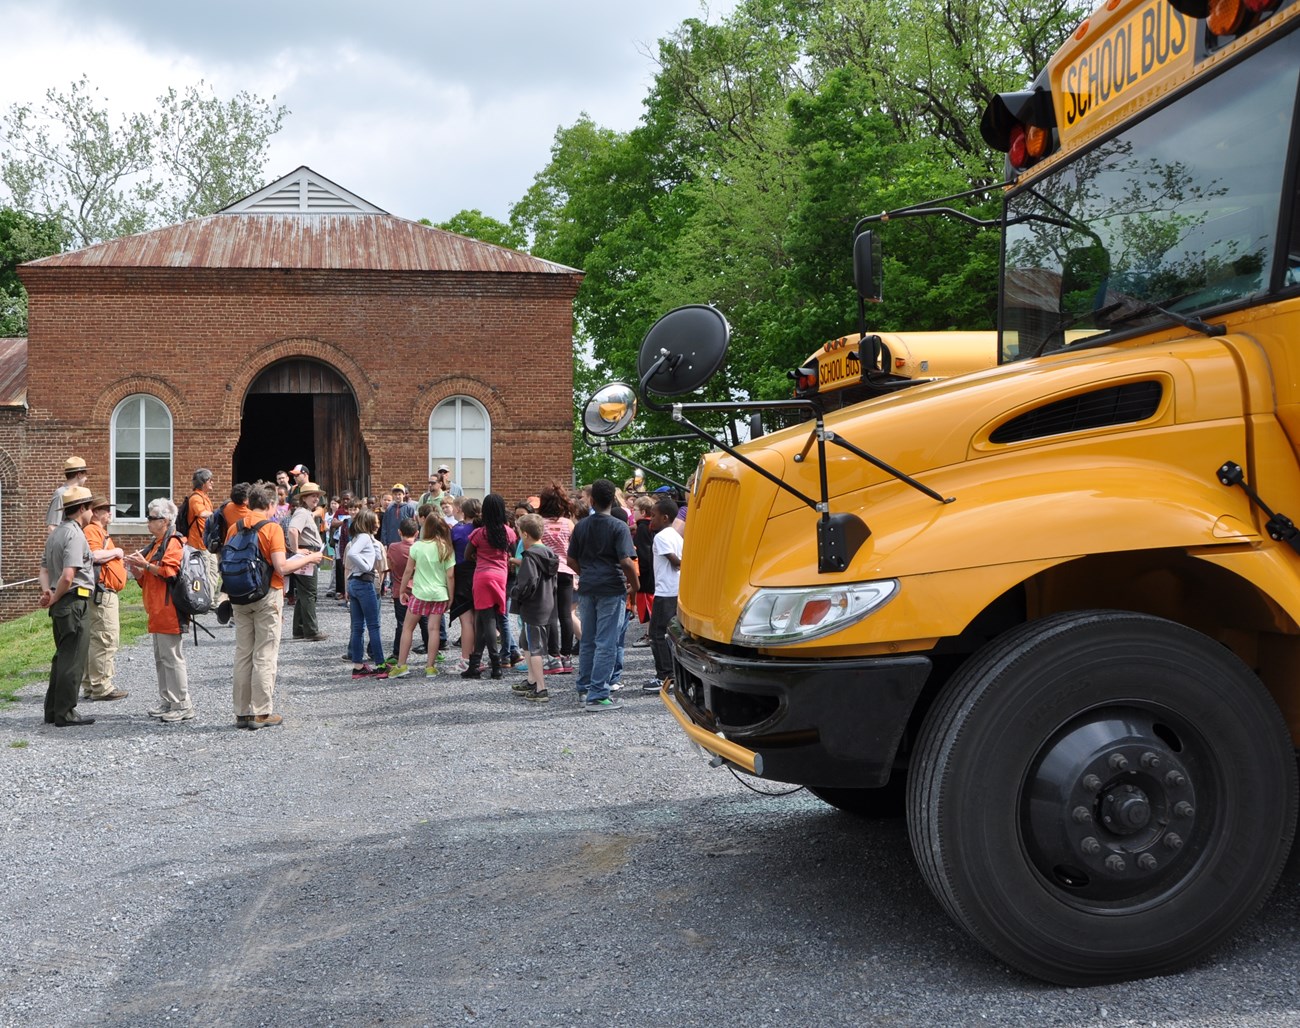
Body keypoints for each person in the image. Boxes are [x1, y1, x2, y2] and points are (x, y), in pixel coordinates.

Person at [227, 482, 325, 728]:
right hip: (267, 593)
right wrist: (309, 557)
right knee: (265, 653)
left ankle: (241, 712)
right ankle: (261, 712)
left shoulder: (233, 528)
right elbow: (281, 567)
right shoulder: (271, 529)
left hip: (239, 595)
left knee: (243, 653)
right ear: (271, 504)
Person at [567, 478, 638, 712]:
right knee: (606, 642)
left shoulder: (581, 526)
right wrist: (635, 585)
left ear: (593, 500)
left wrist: (585, 573)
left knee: (588, 639)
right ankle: (598, 694)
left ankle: (585, 688)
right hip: (611, 587)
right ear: (613, 500)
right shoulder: (619, 527)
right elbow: (626, 561)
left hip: (588, 586)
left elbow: (571, 560)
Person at [124, 498, 195, 723]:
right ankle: (168, 700)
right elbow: (150, 580)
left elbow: (169, 573)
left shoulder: (172, 541)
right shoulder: (157, 543)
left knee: (172, 658)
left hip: (169, 609)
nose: (148, 522)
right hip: (157, 609)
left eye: (151, 518)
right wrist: (137, 571)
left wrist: (144, 565)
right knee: (162, 658)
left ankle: (182, 704)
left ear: (164, 521)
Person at [39, 485, 97, 727]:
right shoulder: (74, 534)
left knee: (62, 657)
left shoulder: (56, 533)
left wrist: (48, 592)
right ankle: (66, 713)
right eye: (91, 507)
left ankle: (53, 710)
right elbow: (67, 575)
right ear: (82, 508)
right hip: (73, 601)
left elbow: (43, 569)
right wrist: (54, 595)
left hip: (62, 602)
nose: (92, 512)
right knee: (72, 659)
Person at [390, 513, 457, 678]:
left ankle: (401, 665)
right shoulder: (446, 548)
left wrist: (402, 590)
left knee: (407, 628)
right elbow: (450, 576)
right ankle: (430, 667)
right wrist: (451, 596)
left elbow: (408, 570)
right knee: (433, 629)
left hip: (419, 593)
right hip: (439, 593)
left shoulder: (417, 546)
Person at [462, 493, 516, 680]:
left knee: (487, 621)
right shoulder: (508, 532)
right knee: (485, 620)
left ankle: (495, 665)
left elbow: (467, 554)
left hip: (482, 576)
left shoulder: (479, 533)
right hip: (500, 577)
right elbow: (512, 552)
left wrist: (479, 558)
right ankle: (475, 663)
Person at [81, 496, 128, 702]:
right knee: (105, 638)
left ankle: (92, 685)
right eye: (107, 509)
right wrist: (116, 552)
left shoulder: (99, 531)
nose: (110, 512)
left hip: (103, 592)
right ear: (97, 512)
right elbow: (93, 555)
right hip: (103, 592)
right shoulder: (92, 530)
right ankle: (101, 686)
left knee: (96, 639)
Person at [508, 514, 558, 702]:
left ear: (526, 534)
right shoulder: (549, 553)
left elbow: (528, 582)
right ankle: (531, 680)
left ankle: (541, 688)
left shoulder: (530, 557)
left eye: (520, 532)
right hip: (546, 604)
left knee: (534, 647)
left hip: (533, 607)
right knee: (526, 642)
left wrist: (514, 592)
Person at [645, 495, 683, 693]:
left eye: (653, 516)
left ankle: (665, 675)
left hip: (666, 591)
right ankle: (674, 673)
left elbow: (675, 562)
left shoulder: (661, 537)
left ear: (665, 517)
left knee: (657, 634)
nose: (651, 520)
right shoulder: (677, 536)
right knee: (671, 634)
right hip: (676, 590)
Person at [538, 483, 576, 675]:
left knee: (551, 615)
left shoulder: (539, 523)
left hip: (546, 572)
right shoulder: (568, 524)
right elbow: (575, 549)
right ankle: (567, 656)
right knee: (566, 614)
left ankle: (553, 658)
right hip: (567, 571)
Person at [345, 508, 388, 678]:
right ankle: (380, 665)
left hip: (354, 582)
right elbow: (353, 554)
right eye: (376, 521)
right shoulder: (363, 537)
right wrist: (366, 567)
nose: (378, 524)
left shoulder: (360, 537)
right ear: (369, 522)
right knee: (373, 625)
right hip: (364, 582)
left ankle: (358, 666)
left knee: (357, 627)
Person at [287, 482, 328, 641]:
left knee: (304, 593)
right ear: (304, 498)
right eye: (313, 496)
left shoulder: (304, 512)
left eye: (317, 496)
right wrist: (296, 549)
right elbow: (292, 530)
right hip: (307, 553)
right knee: (309, 593)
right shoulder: (302, 513)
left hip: (308, 552)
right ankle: (311, 631)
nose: (316, 498)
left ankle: (299, 629)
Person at [387, 516, 427, 662]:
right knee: (425, 621)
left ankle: (398, 653)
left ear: (399, 532)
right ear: (417, 533)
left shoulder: (393, 547)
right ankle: (431, 648)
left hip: (399, 590)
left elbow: (390, 565)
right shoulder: (421, 548)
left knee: (402, 624)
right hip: (419, 589)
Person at [214, 482, 253, 625]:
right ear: (245, 500)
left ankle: (223, 603)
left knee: (228, 578)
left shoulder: (226, 508)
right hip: (242, 551)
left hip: (224, 549)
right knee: (241, 581)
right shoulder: (248, 514)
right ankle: (234, 615)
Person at [448, 496, 480, 672]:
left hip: (462, 575)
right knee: (479, 620)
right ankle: (479, 656)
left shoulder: (458, 530)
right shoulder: (483, 529)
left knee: (466, 621)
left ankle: (467, 659)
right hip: (480, 572)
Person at [182, 468, 218, 597]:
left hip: (207, 543)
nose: (212, 483)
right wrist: (218, 514)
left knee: (214, 571)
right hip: (199, 543)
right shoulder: (196, 498)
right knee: (205, 573)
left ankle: (211, 599)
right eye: (210, 480)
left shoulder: (205, 497)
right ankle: (206, 599)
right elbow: (202, 513)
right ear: (204, 482)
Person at [631, 495, 657, 646]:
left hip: (646, 575)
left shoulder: (642, 528)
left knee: (648, 606)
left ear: (642, 512)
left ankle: (650, 635)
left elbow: (643, 552)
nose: (632, 512)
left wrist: (639, 572)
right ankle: (649, 633)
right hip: (653, 572)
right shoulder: (652, 526)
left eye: (634, 509)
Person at [47, 455, 90, 534]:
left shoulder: (81, 493)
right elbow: (52, 527)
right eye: (85, 474)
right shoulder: (61, 494)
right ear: (79, 475)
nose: (86, 478)